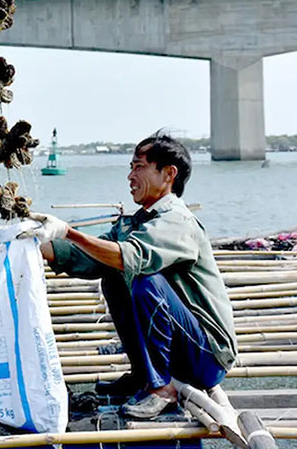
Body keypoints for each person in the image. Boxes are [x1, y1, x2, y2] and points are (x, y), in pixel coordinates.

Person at [19, 133, 237, 419]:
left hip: (206, 356)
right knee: (113, 275)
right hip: (182, 351)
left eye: (139, 167)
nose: (130, 176)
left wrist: (68, 231)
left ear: (168, 174)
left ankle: (161, 388)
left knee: (146, 280)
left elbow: (127, 255)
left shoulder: (176, 220)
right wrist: (32, 243)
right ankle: (144, 375)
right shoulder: (138, 221)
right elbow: (88, 256)